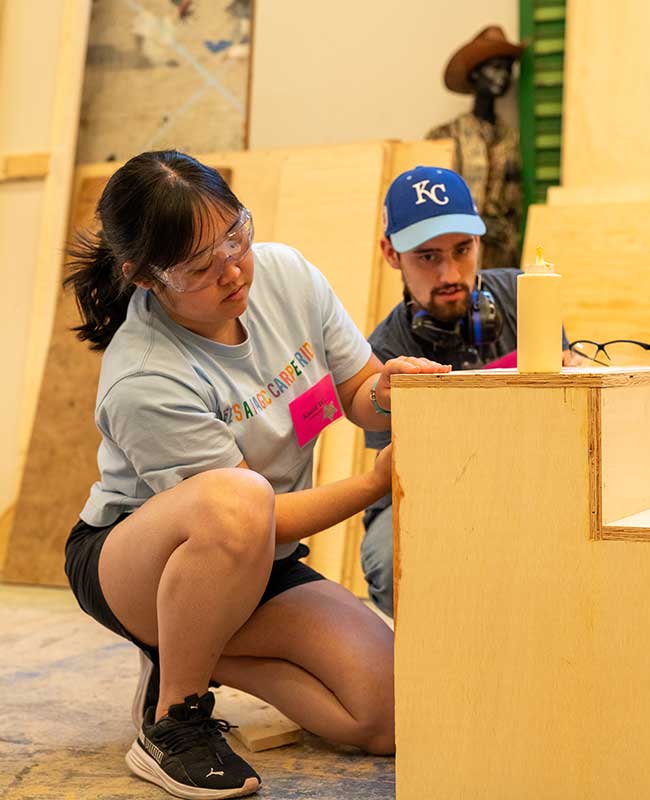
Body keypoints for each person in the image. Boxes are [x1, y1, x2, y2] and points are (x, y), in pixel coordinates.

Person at [62, 150, 449, 799]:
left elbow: (352, 389)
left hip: (260, 557)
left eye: (235, 236)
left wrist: (387, 390)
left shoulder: (286, 275)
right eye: (200, 265)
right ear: (146, 277)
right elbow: (256, 513)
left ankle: (188, 649)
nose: (233, 269)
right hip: (144, 562)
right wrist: (374, 484)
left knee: (387, 715)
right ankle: (175, 721)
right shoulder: (144, 377)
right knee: (238, 499)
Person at [361, 165, 573, 617]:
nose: (450, 274)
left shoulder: (525, 296)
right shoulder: (384, 352)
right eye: (427, 256)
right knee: (389, 557)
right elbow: (404, 474)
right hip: (426, 494)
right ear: (390, 254)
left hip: (531, 476)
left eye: (463, 250)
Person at [426, 25, 526, 269]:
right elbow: (431, 206)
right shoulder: (446, 137)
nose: (503, 76)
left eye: (507, 68)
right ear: (475, 75)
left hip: (503, 261)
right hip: (456, 261)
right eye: (495, 68)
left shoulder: (512, 139)